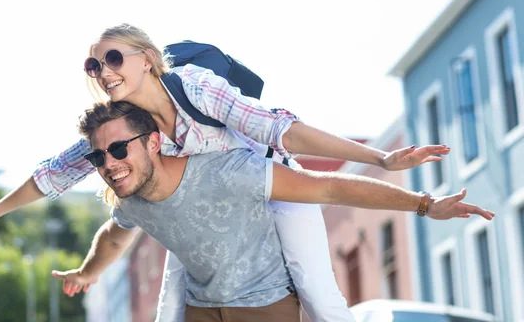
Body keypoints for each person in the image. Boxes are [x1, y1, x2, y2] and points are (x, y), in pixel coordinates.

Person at [0, 23, 451, 322]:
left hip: (269, 184)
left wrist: (381, 160)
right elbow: (55, 174)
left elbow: (281, 130)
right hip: (202, 209)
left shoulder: (195, 88)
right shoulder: (123, 131)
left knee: (318, 289)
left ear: (147, 59)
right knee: (170, 308)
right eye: (94, 66)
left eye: (114, 57)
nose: (105, 72)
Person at [50, 100, 493, 322]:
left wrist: (424, 204)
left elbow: (330, 188)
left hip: (263, 307)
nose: (108, 163)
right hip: (201, 308)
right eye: (97, 158)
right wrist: (87, 272)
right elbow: (113, 234)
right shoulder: (133, 199)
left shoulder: (228, 170)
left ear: (151, 141)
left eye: (117, 149)